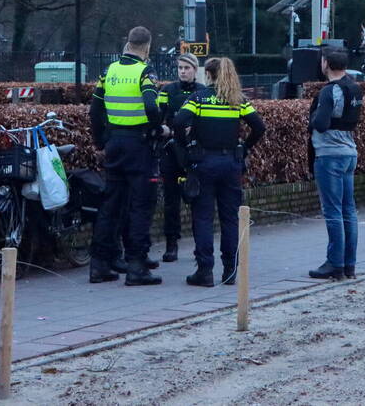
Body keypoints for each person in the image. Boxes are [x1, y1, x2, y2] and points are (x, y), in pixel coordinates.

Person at [173, 57, 266, 287]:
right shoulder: (237, 100)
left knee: (203, 217)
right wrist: (244, 147)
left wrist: (187, 146)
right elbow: (259, 127)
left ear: (209, 75)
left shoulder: (199, 98)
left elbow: (178, 122)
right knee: (230, 218)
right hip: (230, 164)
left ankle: (204, 271)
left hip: (204, 163)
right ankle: (230, 270)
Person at [88, 26, 162, 286]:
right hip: (139, 145)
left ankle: (99, 265)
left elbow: (94, 110)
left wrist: (101, 141)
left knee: (110, 205)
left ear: (128, 43)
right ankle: (137, 267)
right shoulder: (145, 72)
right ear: (147, 47)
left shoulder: (109, 72)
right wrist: (156, 129)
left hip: (114, 144)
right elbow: (152, 105)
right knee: (141, 206)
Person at [307, 47, 363, 281]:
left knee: (332, 210)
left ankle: (335, 263)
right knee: (348, 209)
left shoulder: (330, 91)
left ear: (326, 64)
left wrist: (312, 118)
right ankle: (349, 263)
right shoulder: (355, 87)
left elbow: (320, 123)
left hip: (329, 153)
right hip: (349, 151)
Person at [156, 52, 206, 263]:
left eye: (187, 68)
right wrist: (164, 129)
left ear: (195, 70)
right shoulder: (168, 90)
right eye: (180, 68)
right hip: (171, 149)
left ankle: (199, 245)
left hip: (194, 151)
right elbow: (157, 117)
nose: (183, 72)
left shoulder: (203, 92)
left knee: (198, 199)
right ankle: (171, 244)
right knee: (171, 200)